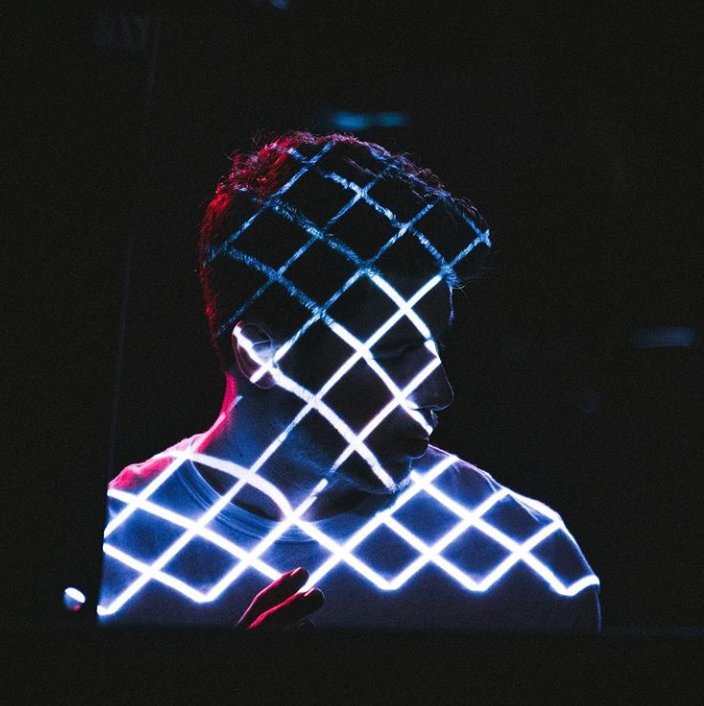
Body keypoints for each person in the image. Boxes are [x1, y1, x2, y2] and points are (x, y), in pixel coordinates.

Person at [98, 132, 600, 631]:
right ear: (260, 354)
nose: (439, 392)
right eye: (393, 352)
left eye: (435, 345)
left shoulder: (527, 564)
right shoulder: (113, 554)